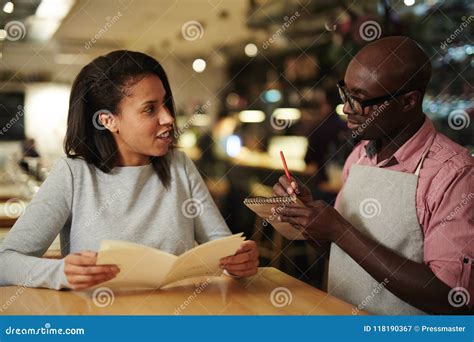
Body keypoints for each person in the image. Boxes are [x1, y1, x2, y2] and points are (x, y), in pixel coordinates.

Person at [0, 51, 259, 291]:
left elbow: (223, 248)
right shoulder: (73, 174)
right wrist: (60, 272)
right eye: (150, 109)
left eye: (166, 104)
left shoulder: (179, 165)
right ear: (108, 120)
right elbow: (5, 263)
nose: (169, 118)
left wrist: (239, 262)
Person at [272, 36, 473, 314]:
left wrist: (340, 230)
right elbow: (342, 256)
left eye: (361, 100)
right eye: (346, 94)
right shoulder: (359, 157)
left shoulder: (453, 174)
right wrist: (313, 223)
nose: (346, 109)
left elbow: (452, 299)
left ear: (408, 101)